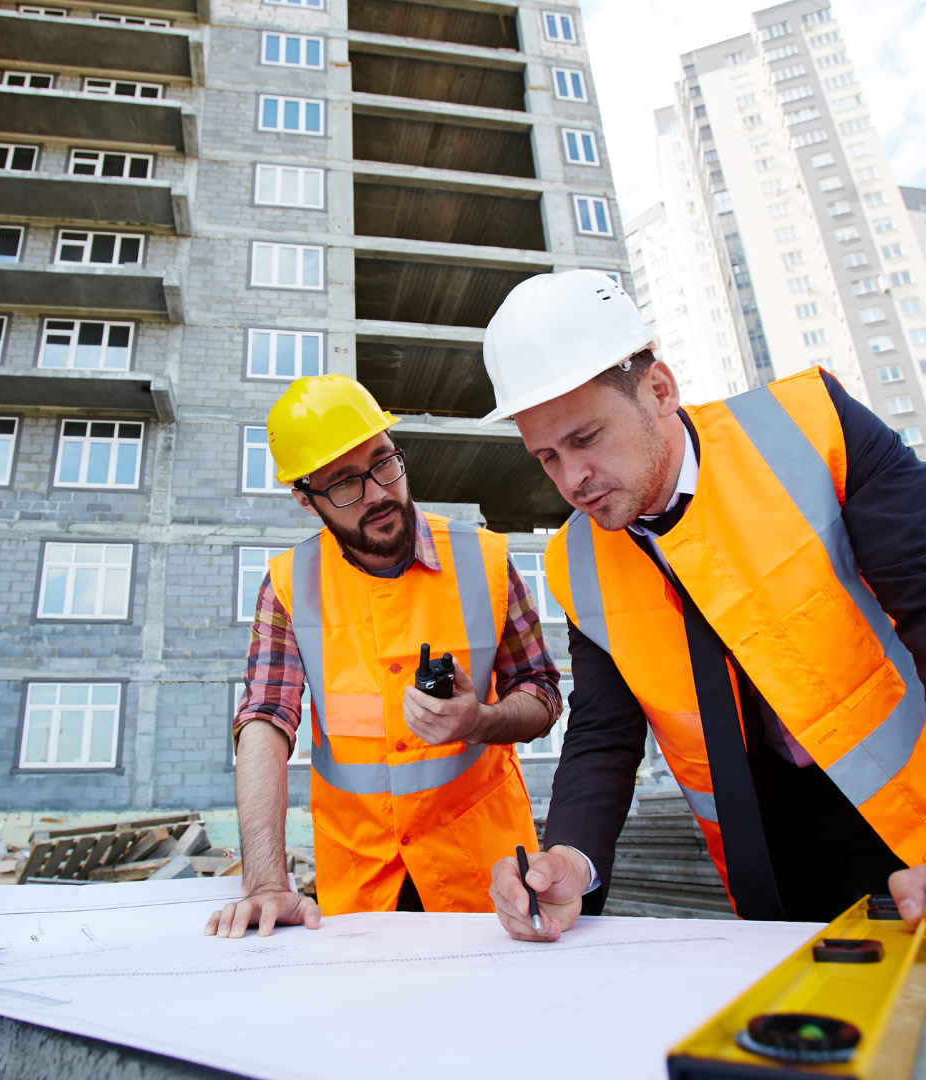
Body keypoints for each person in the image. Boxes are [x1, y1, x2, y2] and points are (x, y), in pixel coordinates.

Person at [481, 269, 926, 939]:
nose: (572, 481)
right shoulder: (574, 561)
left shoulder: (811, 426)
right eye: (546, 456)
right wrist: (569, 857)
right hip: (772, 858)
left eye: (586, 439)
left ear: (659, 390)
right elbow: (604, 730)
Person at [207, 373, 562, 937]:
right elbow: (265, 721)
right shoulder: (288, 585)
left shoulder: (486, 561)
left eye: (383, 462)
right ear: (305, 499)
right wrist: (266, 881)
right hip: (361, 892)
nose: (377, 493)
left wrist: (482, 720)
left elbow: (541, 694)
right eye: (344, 484)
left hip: (489, 885)